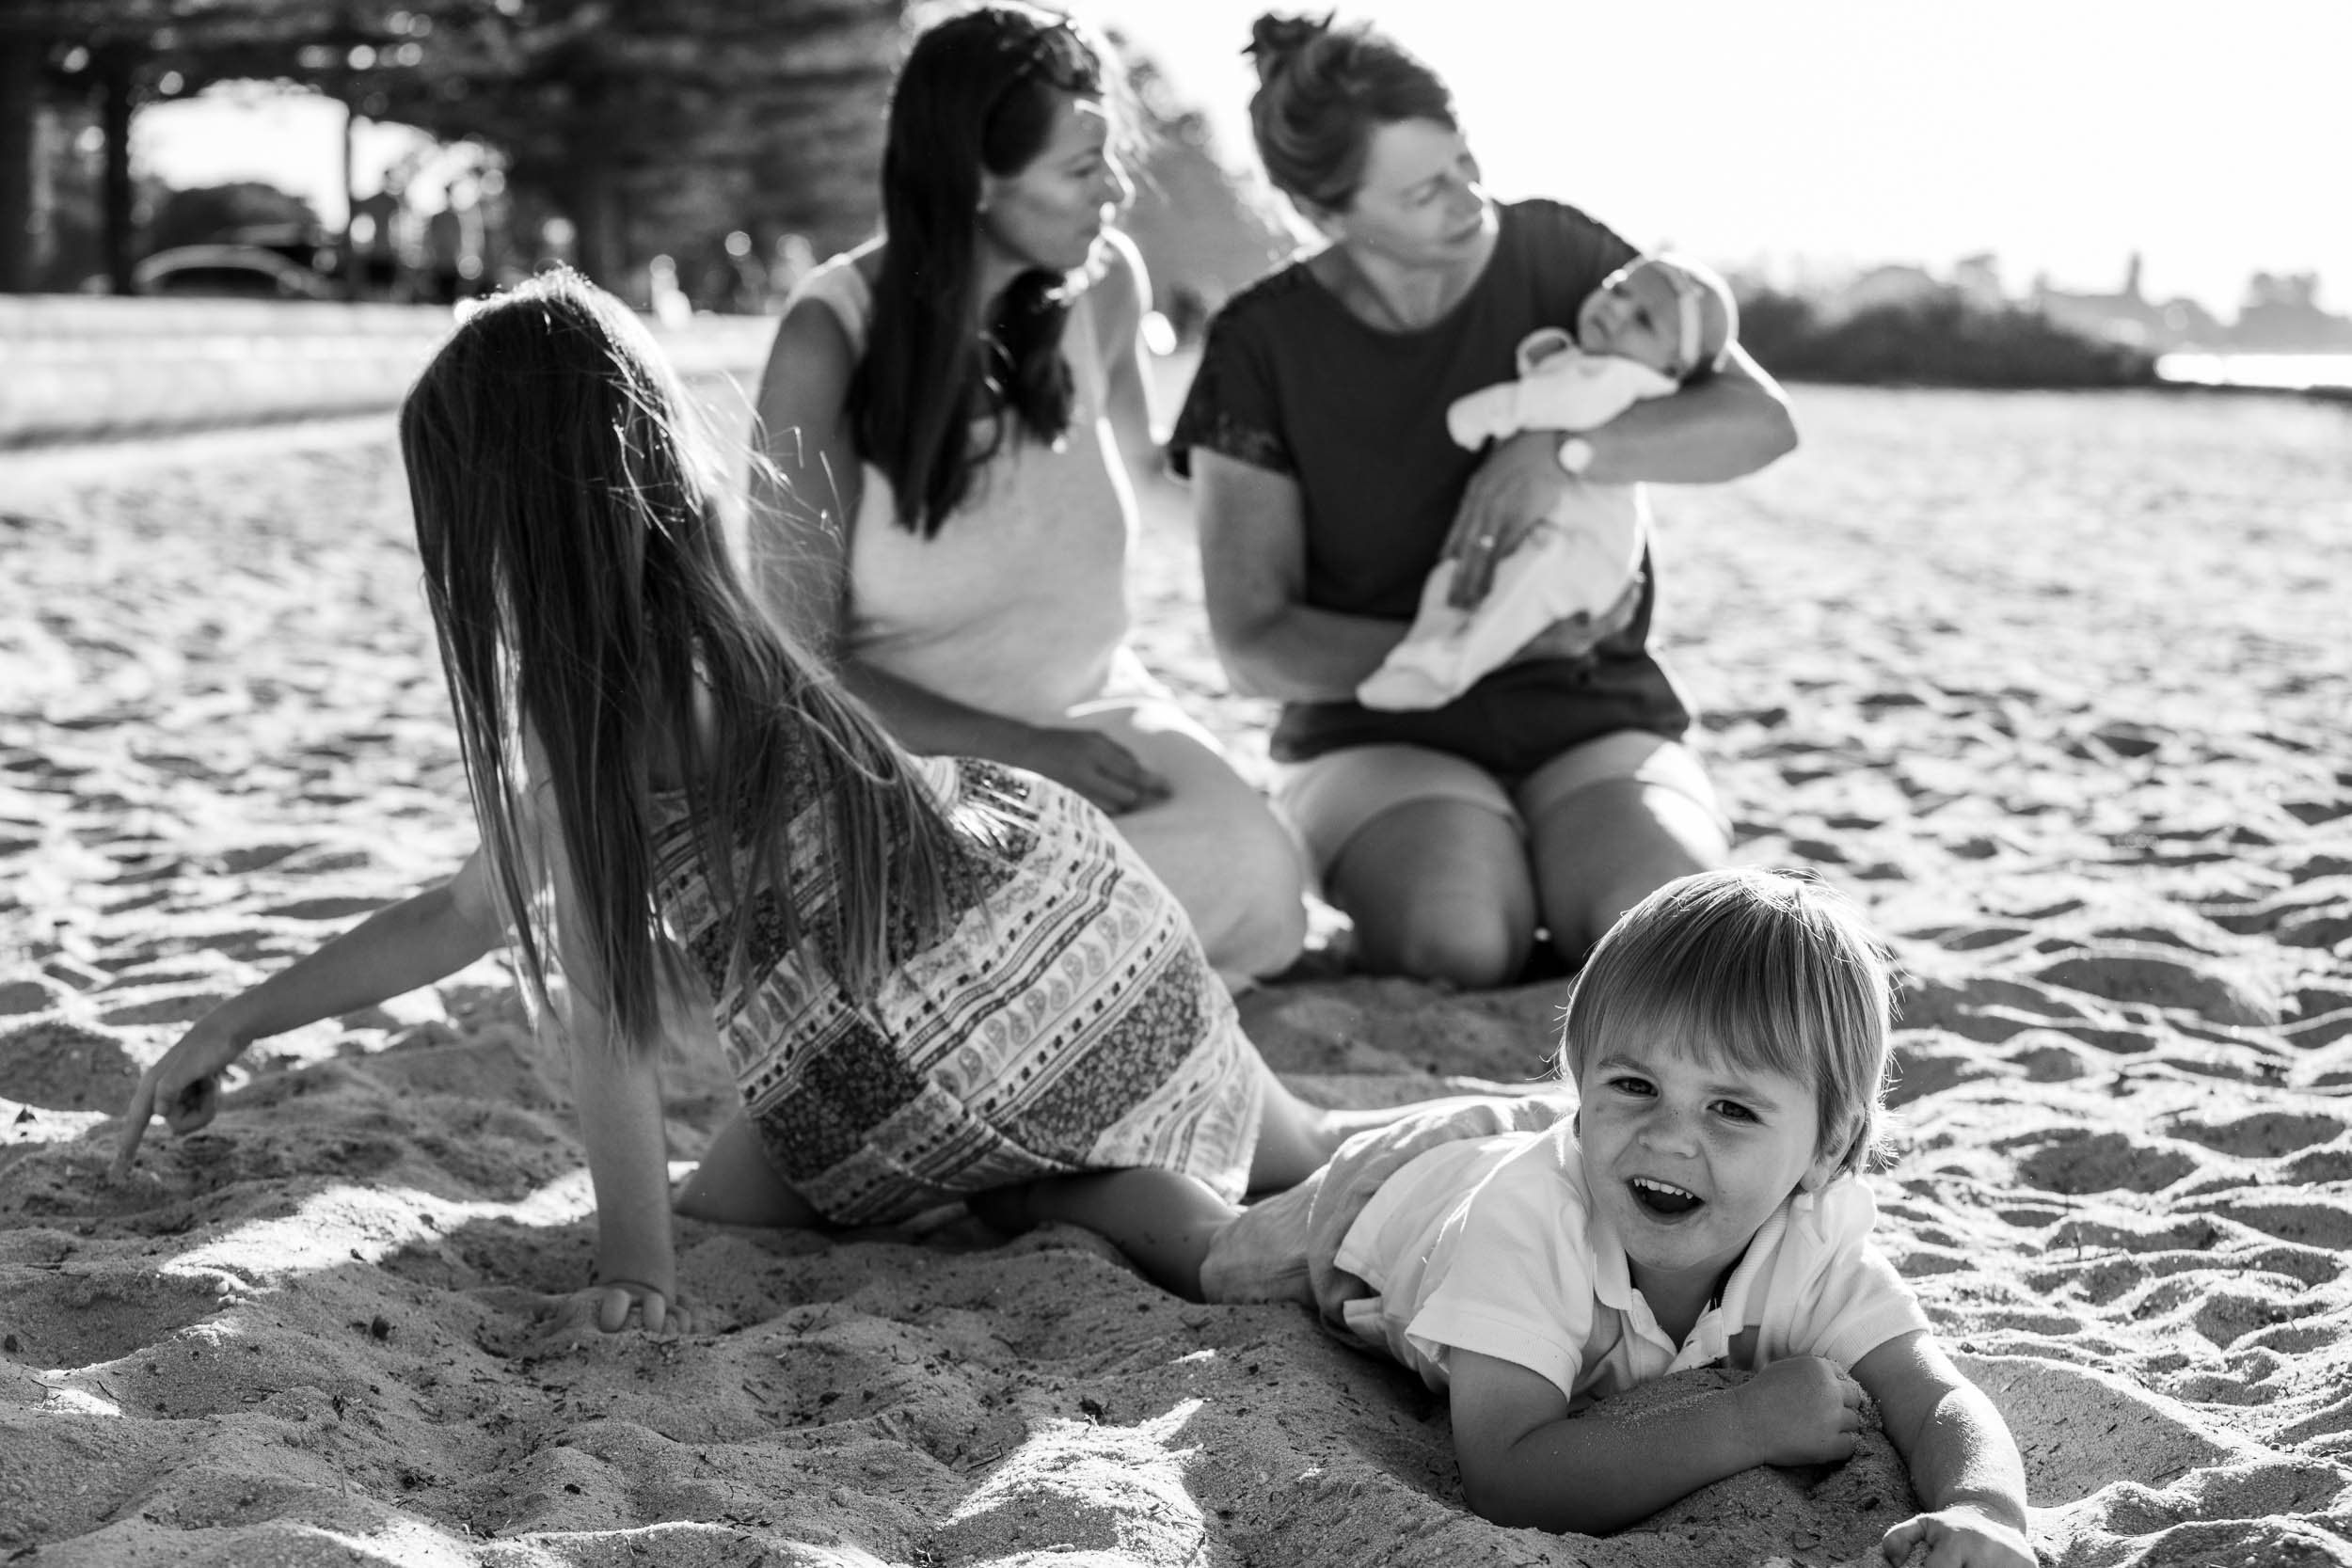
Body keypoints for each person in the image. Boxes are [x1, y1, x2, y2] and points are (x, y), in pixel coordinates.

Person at [108, 271, 1466, 1337]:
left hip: (925, 1006)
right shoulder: (716, 611)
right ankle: (1449, 1133)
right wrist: (241, 1012)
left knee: (750, 1209)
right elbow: (469, 907)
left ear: (498, 522)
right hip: (1057, 905)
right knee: (1276, 1131)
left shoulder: (593, 710)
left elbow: (605, 1021)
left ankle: (1210, 1242)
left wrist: (637, 1266)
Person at [983, 870, 2035, 1565]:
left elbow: (1932, 1390)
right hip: (1408, 1193)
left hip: (1534, 1129)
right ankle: (1037, 1178)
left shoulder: (1812, 1230)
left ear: (1827, 1147)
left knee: (1311, 1137)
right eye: (1633, 1082)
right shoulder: (1533, 1220)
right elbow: (1505, 1472)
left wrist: (1986, 1510)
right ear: (1583, 1080)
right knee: (1211, 1247)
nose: (1672, 1138)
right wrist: (1744, 1421)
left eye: (1730, 1108)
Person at [1169, 13, 1800, 987]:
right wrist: (1477, 641)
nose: (1469, 198)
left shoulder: (1559, 252)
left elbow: (1758, 423)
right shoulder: (1260, 346)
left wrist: (1563, 447)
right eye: (1426, 190)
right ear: (1327, 214)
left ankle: (1564, 863)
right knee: (1459, 939)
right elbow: (1255, 642)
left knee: (1662, 941)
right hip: (1375, 731)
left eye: (1465, 160)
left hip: (1592, 712)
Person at [748, 3, 1307, 989]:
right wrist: (1025, 749)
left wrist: (1320, 514)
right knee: (986, 913)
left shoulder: (1103, 287)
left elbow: (1152, 475)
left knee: (1257, 874)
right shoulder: (828, 338)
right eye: (1082, 170)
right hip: (898, 754)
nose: (1115, 193)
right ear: (974, 180)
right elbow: (800, 661)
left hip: (1094, 710)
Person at [1359, 253, 1740, 712]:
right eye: (1618, 289)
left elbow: (1554, 400)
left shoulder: (1625, 379)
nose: (1615, 310)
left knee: (1516, 596)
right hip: (1561, 531)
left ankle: (1446, 672)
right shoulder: (1600, 364)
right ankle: (1423, 653)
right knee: (1461, 579)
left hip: (1583, 550)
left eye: (1642, 320)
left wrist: (1476, 417)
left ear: (1672, 368)